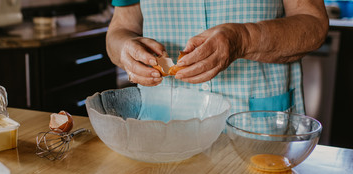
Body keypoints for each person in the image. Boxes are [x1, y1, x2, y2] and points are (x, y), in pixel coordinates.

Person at [106, 0, 329, 115]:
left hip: (257, 126)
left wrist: (244, 39)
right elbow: (120, 29)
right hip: (162, 124)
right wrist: (125, 48)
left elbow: (314, 24)